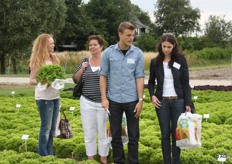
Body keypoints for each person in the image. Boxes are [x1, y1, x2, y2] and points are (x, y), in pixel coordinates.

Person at [99, 21, 145, 164]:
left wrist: (140, 100)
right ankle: (119, 161)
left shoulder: (138, 53)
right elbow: (103, 76)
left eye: (133, 35)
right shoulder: (108, 53)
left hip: (132, 100)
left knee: (133, 135)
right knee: (116, 135)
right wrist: (104, 98)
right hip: (114, 100)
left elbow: (140, 77)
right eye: (128, 35)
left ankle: (133, 161)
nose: (131, 38)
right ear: (120, 34)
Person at [147, 34, 191, 164]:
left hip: (178, 101)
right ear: (160, 46)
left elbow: (185, 82)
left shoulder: (180, 60)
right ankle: (167, 161)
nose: (166, 49)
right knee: (165, 134)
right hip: (162, 102)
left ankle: (175, 161)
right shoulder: (155, 62)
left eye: (169, 47)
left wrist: (188, 102)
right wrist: (152, 95)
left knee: (176, 133)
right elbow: (150, 82)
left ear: (174, 46)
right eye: (164, 46)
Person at [72, 35, 108, 164]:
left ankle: (103, 157)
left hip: (104, 103)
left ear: (101, 46)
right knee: (89, 132)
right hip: (87, 102)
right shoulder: (85, 61)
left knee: (104, 132)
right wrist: (82, 68)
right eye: (90, 45)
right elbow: (75, 79)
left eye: (95, 45)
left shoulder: (107, 61)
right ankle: (90, 158)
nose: (92, 47)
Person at [29, 33, 60, 156]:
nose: (53, 45)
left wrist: (58, 81)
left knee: (52, 129)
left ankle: (50, 153)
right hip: (44, 98)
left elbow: (58, 76)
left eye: (53, 43)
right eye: (51, 43)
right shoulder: (38, 60)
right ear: (44, 45)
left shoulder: (54, 59)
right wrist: (44, 81)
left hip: (55, 96)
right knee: (45, 128)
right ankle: (43, 154)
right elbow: (31, 80)